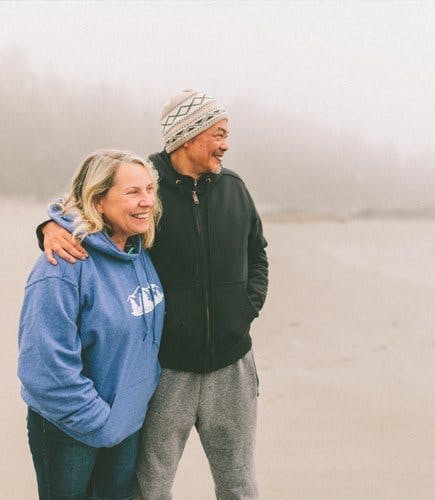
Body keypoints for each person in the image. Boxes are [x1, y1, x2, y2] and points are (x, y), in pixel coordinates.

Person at [40, 90, 269, 500]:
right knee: (150, 487)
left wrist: (246, 309)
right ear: (188, 136)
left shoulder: (235, 188)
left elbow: (258, 252)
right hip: (164, 369)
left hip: (232, 365)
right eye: (218, 133)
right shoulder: (145, 185)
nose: (225, 144)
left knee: (239, 484)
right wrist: (49, 228)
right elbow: (85, 204)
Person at [18, 150, 164, 500]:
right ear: (99, 200)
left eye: (149, 189)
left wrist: (125, 414)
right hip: (69, 428)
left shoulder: (138, 248)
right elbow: (44, 367)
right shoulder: (63, 266)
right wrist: (99, 421)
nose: (147, 202)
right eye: (132, 192)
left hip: (125, 422)